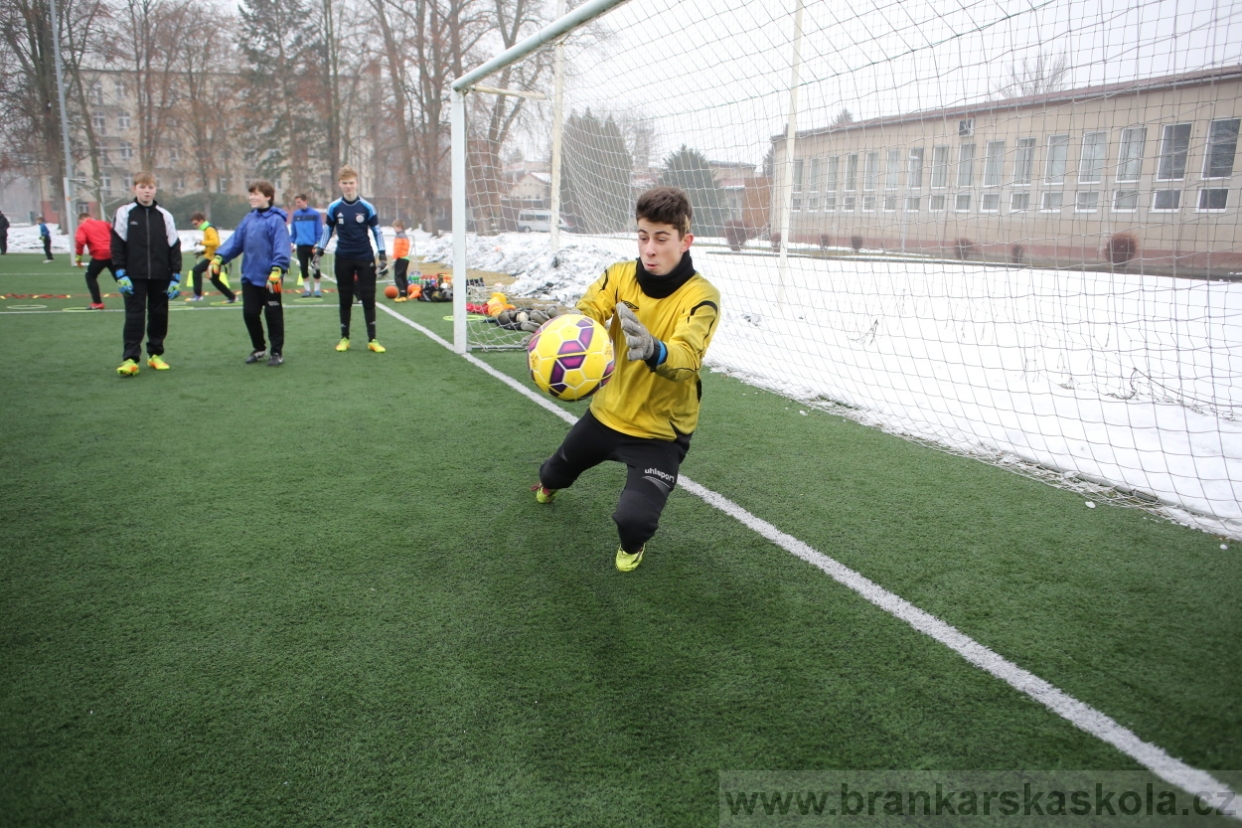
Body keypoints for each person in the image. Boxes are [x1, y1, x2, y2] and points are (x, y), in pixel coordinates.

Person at [532, 187, 721, 573]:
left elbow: (687, 357)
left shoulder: (702, 297)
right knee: (552, 474)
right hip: (606, 415)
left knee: (634, 521)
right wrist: (564, 325)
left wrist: (655, 350)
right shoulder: (619, 276)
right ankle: (549, 485)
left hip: (660, 433)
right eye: (643, 236)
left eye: (661, 239)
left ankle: (633, 546)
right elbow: (589, 311)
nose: (649, 249)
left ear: (685, 241)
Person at [209, 180, 289, 366]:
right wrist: (219, 258)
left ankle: (276, 352)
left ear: (268, 196)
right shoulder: (248, 219)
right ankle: (259, 348)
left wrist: (277, 269)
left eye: (256, 194)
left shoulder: (276, 220)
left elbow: (282, 246)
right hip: (250, 277)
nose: (251, 197)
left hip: (271, 278)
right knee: (250, 314)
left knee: (273, 314)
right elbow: (235, 241)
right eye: (250, 194)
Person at [111, 172, 182, 376]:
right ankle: (131, 359)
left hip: (161, 275)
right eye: (142, 187)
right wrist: (120, 273)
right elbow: (117, 244)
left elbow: (174, 246)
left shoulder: (165, 215)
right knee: (134, 316)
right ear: (134, 189)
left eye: (150, 187)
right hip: (134, 275)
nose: (146, 191)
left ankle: (155, 355)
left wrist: (175, 276)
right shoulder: (124, 213)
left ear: (155, 189)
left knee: (159, 316)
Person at [313, 165, 386, 353]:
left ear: (357, 183)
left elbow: (377, 231)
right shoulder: (334, 207)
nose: (348, 186)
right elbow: (327, 230)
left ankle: (372, 339)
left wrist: (382, 254)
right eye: (345, 183)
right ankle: (344, 338)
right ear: (339, 184)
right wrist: (319, 250)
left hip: (364, 256)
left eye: (351, 183)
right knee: (345, 299)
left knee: (368, 298)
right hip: (343, 257)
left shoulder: (367, 207)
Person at [186, 212, 236, 303]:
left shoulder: (209, 229)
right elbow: (211, 246)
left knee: (196, 271)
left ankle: (197, 295)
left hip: (213, 258)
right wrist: (202, 252)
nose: (195, 226)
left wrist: (201, 242)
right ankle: (232, 297)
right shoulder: (207, 229)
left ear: (201, 221)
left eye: (196, 224)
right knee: (215, 280)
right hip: (213, 257)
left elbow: (215, 242)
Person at [74, 211, 117, 309]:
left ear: (81, 220)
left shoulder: (83, 227)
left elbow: (80, 241)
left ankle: (97, 302)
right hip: (113, 254)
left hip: (99, 255)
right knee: (120, 278)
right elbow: (116, 233)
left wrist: (78, 258)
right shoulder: (103, 223)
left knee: (90, 276)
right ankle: (135, 298)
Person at [289, 193, 323, 297]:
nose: (297, 204)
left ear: (305, 201)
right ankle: (307, 290)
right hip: (301, 246)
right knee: (303, 268)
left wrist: (318, 243)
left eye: (299, 202)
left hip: (313, 246)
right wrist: (291, 242)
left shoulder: (315, 214)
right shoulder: (296, 215)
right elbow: (293, 230)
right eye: (296, 202)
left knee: (315, 268)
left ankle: (317, 290)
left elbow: (319, 230)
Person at [391, 219, 412, 301]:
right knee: (403, 276)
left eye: (395, 228)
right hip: (406, 257)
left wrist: (394, 258)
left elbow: (397, 248)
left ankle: (402, 293)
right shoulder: (405, 236)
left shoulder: (399, 236)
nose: (394, 230)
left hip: (400, 257)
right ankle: (405, 293)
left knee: (398, 276)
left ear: (399, 227)